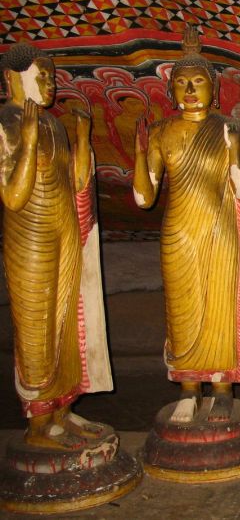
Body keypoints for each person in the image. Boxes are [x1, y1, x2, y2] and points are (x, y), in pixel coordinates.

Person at [133, 28, 240, 423]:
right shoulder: (161, 132)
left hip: (222, 232)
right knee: (183, 311)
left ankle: (222, 388)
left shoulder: (234, 130)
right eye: (182, 84)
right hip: (179, 233)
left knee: (223, 308)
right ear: (171, 93)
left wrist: (235, 154)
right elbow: (143, 197)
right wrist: (140, 151)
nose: (190, 90)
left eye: (199, 81)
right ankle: (188, 389)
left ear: (214, 89)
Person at [0, 42, 112, 448]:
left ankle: (62, 411)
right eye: (40, 75)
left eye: (50, 76)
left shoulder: (55, 125)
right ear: (12, 78)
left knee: (68, 320)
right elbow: (13, 197)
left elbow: (78, 184)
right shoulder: (7, 123)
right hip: (30, 239)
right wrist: (27, 142)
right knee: (36, 327)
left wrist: (82, 138)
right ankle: (38, 425)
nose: (50, 84)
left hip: (64, 230)